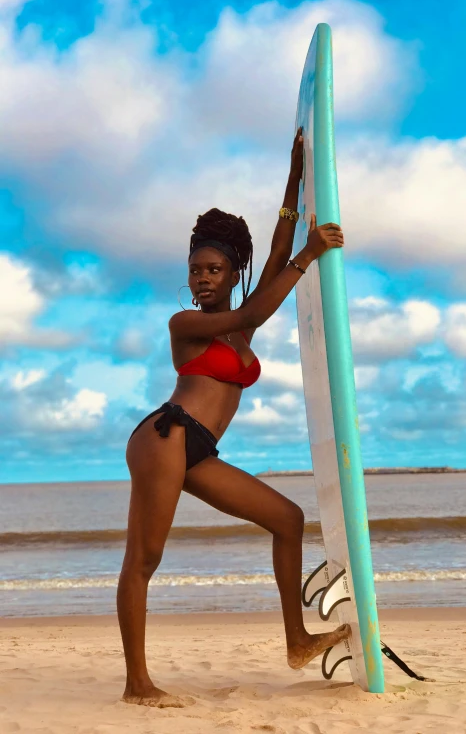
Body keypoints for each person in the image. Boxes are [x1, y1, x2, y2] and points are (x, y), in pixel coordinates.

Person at [117, 128, 349, 708]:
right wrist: (309, 255)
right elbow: (263, 292)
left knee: (288, 520)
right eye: (196, 270)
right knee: (144, 561)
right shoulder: (185, 324)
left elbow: (272, 256)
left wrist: (295, 173)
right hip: (165, 437)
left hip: (200, 450)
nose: (202, 279)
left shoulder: (240, 323)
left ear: (230, 270)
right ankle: (136, 685)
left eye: (214, 270)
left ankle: (297, 640)